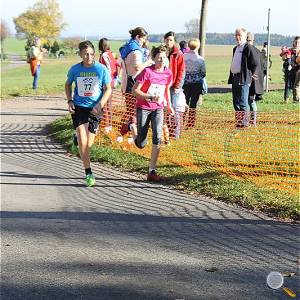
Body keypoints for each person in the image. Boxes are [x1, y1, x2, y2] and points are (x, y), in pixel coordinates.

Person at [122, 45, 174, 182]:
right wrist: (149, 97)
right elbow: (134, 91)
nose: (162, 60)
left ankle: (152, 171)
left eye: (164, 57)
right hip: (144, 107)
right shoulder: (147, 72)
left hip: (158, 108)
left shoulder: (168, 73)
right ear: (153, 58)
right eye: (159, 57)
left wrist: (169, 105)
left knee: (158, 137)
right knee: (141, 144)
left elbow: (166, 89)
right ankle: (132, 127)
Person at [65, 40, 112, 186]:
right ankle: (89, 173)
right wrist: (69, 100)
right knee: (83, 143)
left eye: (91, 54)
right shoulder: (75, 70)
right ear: (80, 54)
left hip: (95, 109)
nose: (89, 57)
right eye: (85, 54)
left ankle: (75, 140)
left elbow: (109, 89)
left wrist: (100, 104)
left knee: (88, 144)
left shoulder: (101, 69)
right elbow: (67, 84)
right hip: (79, 108)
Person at [119, 27, 153, 137]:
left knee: (130, 110)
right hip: (133, 82)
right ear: (138, 37)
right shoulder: (136, 51)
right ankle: (133, 136)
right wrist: (148, 62)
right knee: (134, 111)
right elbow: (138, 68)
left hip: (126, 80)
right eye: (143, 39)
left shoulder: (127, 46)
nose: (144, 41)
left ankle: (123, 133)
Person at [228, 28, 258, 128]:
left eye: (240, 35)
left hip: (244, 78)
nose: (237, 37)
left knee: (243, 102)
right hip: (235, 77)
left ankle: (244, 124)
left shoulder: (248, 48)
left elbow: (255, 63)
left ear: (245, 36)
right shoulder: (235, 48)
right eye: (236, 35)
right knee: (235, 102)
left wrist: (252, 74)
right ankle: (238, 122)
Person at [164, 31, 185, 136]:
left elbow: (181, 71)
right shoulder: (162, 52)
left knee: (174, 109)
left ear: (174, 41)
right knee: (165, 108)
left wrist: (177, 86)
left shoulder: (178, 54)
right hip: (163, 85)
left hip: (173, 87)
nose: (168, 42)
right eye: (167, 40)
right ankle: (166, 131)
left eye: (171, 40)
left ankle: (175, 133)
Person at [182, 38, 206, 128]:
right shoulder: (200, 59)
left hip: (185, 83)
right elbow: (203, 73)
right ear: (198, 46)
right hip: (196, 84)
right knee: (193, 104)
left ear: (188, 45)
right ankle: (190, 123)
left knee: (184, 102)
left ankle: (182, 120)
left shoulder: (183, 57)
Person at [98, 38, 120, 132]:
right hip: (112, 80)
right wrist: (116, 77)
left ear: (101, 46)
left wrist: (107, 79)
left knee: (106, 104)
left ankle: (107, 125)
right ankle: (109, 124)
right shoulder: (111, 54)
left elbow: (107, 69)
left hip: (106, 82)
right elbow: (117, 64)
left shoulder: (104, 55)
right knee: (109, 103)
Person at [246, 32, 264, 125]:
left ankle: (253, 120)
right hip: (251, 78)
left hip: (253, 79)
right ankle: (251, 120)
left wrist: (252, 76)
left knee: (250, 100)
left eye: (248, 40)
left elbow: (257, 66)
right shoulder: (257, 51)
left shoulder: (254, 51)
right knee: (249, 100)